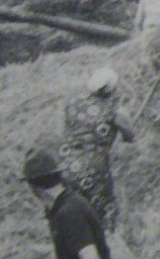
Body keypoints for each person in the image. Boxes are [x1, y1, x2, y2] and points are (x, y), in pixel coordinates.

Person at [58, 65, 135, 232]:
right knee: (103, 209)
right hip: (93, 167)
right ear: (110, 89)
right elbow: (129, 137)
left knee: (74, 208)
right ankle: (103, 247)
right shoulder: (115, 110)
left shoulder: (72, 103)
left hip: (66, 163)